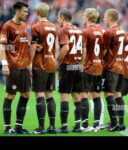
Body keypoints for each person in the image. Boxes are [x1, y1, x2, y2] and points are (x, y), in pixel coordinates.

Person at [0, 2, 30, 134]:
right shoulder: (7, 26)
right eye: (24, 11)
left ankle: (18, 126)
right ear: (17, 11)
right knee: (10, 95)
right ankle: (7, 128)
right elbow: (2, 46)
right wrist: (4, 64)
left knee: (26, 94)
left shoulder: (24, 25)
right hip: (13, 67)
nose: (27, 14)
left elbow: (22, 44)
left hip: (24, 67)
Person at [30, 3, 57, 134]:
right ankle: (52, 127)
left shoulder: (35, 26)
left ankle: (41, 127)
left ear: (37, 13)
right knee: (49, 95)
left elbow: (34, 46)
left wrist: (29, 63)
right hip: (51, 63)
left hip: (40, 64)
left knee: (39, 94)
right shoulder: (54, 27)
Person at [57, 8, 84, 133]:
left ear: (63, 17)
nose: (57, 20)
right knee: (76, 96)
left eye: (58, 17)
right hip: (77, 66)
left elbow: (66, 48)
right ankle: (77, 126)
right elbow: (83, 50)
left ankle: (64, 127)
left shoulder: (63, 30)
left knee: (64, 96)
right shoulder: (78, 30)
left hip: (67, 66)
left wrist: (57, 60)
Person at [102, 8, 125, 131]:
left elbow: (104, 52)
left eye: (105, 16)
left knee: (108, 94)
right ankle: (121, 122)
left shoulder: (109, 33)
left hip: (111, 66)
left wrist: (97, 59)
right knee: (118, 94)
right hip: (121, 67)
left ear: (111, 18)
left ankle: (114, 122)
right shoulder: (122, 30)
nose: (103, 18)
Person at [81, 8, 103, 132]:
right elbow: (104, 50)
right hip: (98, 67)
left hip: (88, 67)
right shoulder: (100, 32)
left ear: (88, 18)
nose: (83, 18)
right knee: (96, 95)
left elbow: (84, 50)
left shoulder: (85, 32)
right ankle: (97, 125)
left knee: (83, 95)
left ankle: (85, 126)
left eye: (84, 16)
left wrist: (82, 64)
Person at [89, 13, 105, 130]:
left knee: (93, 95)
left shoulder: (90, 31)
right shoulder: (103, 31)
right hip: (101, 65)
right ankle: (99, 122)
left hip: (92, 66)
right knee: (97, 94)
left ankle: (98, 122)